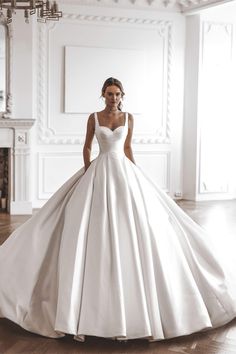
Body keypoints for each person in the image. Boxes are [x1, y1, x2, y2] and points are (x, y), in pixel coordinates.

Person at [0, 77, 236, 343]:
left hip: (124, 171)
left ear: (122, 95)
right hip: (99, 170)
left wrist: (136, 173)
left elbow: (126, 148)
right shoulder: (94, 117)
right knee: (86, 225)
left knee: (136, 225)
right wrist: (89, 172)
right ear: (103, 95)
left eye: (117, 94)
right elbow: (87, 146)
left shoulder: (128, 118)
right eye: (109, 94)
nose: (113, 98)